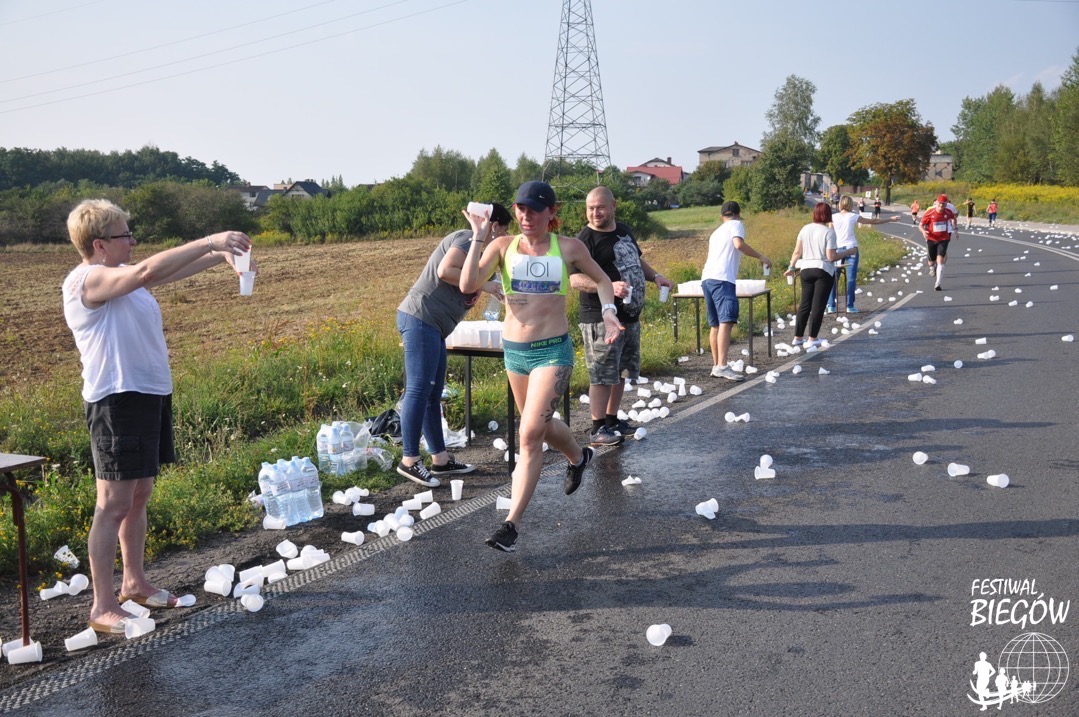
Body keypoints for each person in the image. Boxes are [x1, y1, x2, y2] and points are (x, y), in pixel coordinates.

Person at [62, 199, 253, 634]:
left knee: (138, 495)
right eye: (124, 235)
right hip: (117, 401)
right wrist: (210, 239)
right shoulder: (87, 279)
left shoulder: (122, 278)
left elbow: (163, 272)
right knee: (112, 503)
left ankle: (134, 583)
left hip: (147, 396)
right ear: (99, 244)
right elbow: (148, 271)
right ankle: (102, 605)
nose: (132, 241)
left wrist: (221, 256)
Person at [460, 181, 622, 553]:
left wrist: (609, 312)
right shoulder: (502, 246)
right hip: (515, 353)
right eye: (521, 209)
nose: (526, 216)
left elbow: (601, 280)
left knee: (530, 433)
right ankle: (579, 456)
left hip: (552, 352)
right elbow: (468, 283)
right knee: (542, 426)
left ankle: (511, 525)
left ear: (551, 212)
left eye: (534, 209)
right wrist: (478, 236)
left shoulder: (569, 247)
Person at [395, 204, 512, 487]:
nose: (505, 237)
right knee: (418, 390)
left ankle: (440, 459)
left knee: (432, 394)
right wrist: (483, 285)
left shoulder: (484, 254)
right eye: (505, 230)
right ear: (494, 225)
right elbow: (446, 270)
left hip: (435, 326)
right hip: (421, 317)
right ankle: (409, 460)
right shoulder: (467, 239)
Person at [572, 186, 673, 446]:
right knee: (602, 373)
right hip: (600, 317)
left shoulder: (624, 230)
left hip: (629, 315)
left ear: (613, 205)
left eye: (600, 207)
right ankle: (597, 428)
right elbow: (574, 279)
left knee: (621, 372)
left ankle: (612, 420)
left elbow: (636, 261)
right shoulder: (584, 240)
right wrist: (607, 286)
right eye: (590, 208)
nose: (595, 213)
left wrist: (655, 276)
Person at [701, 201, 772, 381]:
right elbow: (738, 244)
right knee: (726, 321)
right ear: (738, 214)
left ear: (721, 216)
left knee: (715, 325)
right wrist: (761, 256)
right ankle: (723, 366)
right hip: (723, 279)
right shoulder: (736, 224)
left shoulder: (716, 232)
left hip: (707, 278)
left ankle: (717, 365)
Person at [826, 196, 901, 314]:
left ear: (840, 204)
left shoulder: (833, 217)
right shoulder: (853, 216)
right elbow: (873, 221)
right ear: (850, 204)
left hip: (838, 249)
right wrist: (890, 219)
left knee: (834, 276)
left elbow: (830, 233)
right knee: (851, 278)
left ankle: (831, 305)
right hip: (852, 248)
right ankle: (849, 305)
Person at [783, 203, 840, 348]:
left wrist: (791, 267)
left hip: (806, 269)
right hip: (823, 270)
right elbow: (831, 257)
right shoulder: (829, 232)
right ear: (828, 214)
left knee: (805, 304)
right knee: (818, 306)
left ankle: (797, 337)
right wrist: (848, 252)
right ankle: (812, 338)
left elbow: (797, 252)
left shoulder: (805, 229)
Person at [919, 193, 957, 291]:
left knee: (940, 260)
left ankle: (938, 283)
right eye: (940, 203)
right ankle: (932, 267)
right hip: (931, 239)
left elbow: (954, 218)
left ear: (946, 204)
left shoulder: (948, 212)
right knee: (931, 262)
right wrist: (923, 232)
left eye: (943, 204)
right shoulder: (929, 212)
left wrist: (955, 229)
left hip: (943, 239)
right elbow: (920, 225)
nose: (941, 206)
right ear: (936, 203)